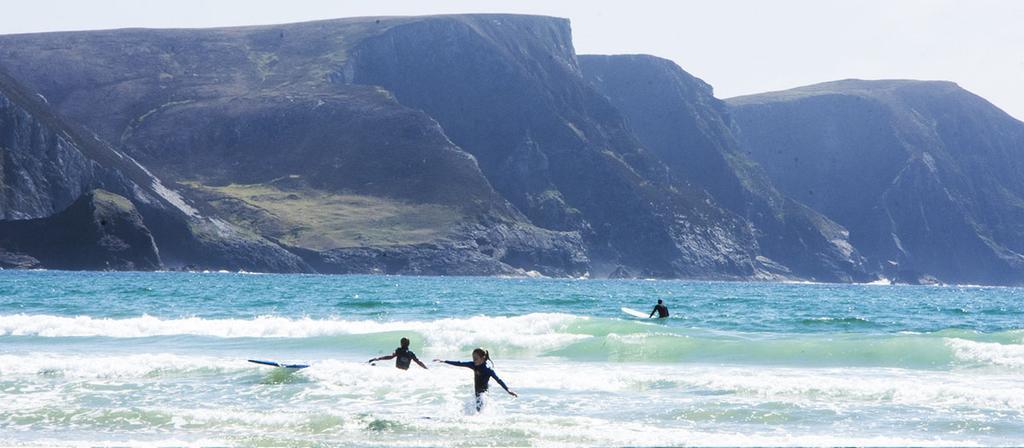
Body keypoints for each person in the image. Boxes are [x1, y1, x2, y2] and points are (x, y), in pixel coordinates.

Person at [434, 347, 517, 411]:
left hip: (484, 394)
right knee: (478, 408)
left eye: (476, 358)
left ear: (483, 358)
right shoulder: (473, 365)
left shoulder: (488, 370)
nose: (474, 360)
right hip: (477, 392)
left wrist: (508, 390)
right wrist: (444, 361)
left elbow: (498, 380)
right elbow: (459, 363)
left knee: (480, 406)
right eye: (473, 358)